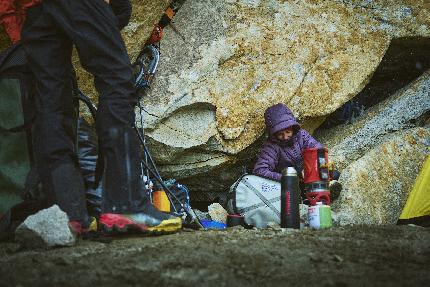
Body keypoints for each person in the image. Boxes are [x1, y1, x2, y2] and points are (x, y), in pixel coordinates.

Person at [9, 0, 181, 235]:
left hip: (34, 11)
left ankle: (68, 212)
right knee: (116, 79)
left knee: (51, 103)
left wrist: (19, 29)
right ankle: (125, 204)